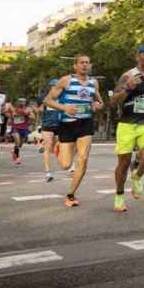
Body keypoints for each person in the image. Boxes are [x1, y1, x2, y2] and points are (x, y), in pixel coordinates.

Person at [110, 44, 144, 213]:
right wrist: (128, 88)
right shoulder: (128, 75)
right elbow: (113, 102)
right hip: (127, 124)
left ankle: (137, 176)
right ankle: (119, 196)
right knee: (124, 163)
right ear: (137, 57)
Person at [44, 55, 103, 207]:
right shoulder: (66, 80)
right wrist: (64, 108)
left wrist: (97, 105)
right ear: (75, 66)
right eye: (82, 63)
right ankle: (59, 148)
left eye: (87, 63)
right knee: (65, 164)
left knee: (83, 159)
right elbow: (48, 100)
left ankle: (70, 195)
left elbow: (99, 101)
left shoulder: (93, 82)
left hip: (85, 123)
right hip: (67, 124)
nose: (85, 65)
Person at [39, 79, 62, 182]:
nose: (56, 88)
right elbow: (39, 109)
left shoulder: (63, 98)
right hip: (47, 125)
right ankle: (48, 172)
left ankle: (55, 149)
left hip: (60, 125)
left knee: (58, 146)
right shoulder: (45, 98)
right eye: (54, 86)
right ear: (51, 87)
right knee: (48, 147)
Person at [8, 98, 31, 165]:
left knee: (20, 144)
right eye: (20, 102)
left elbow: (31, 115)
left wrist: (28, 116)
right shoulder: (14, 109)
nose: (22, 103)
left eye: (23, 102)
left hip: (23, 128)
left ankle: (14, 151)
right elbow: (11, 118)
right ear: (17, 102)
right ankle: (17, 158)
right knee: (17, 141)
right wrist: (11, 118)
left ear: (25, 103)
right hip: (15, 127)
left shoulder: (28, 109)